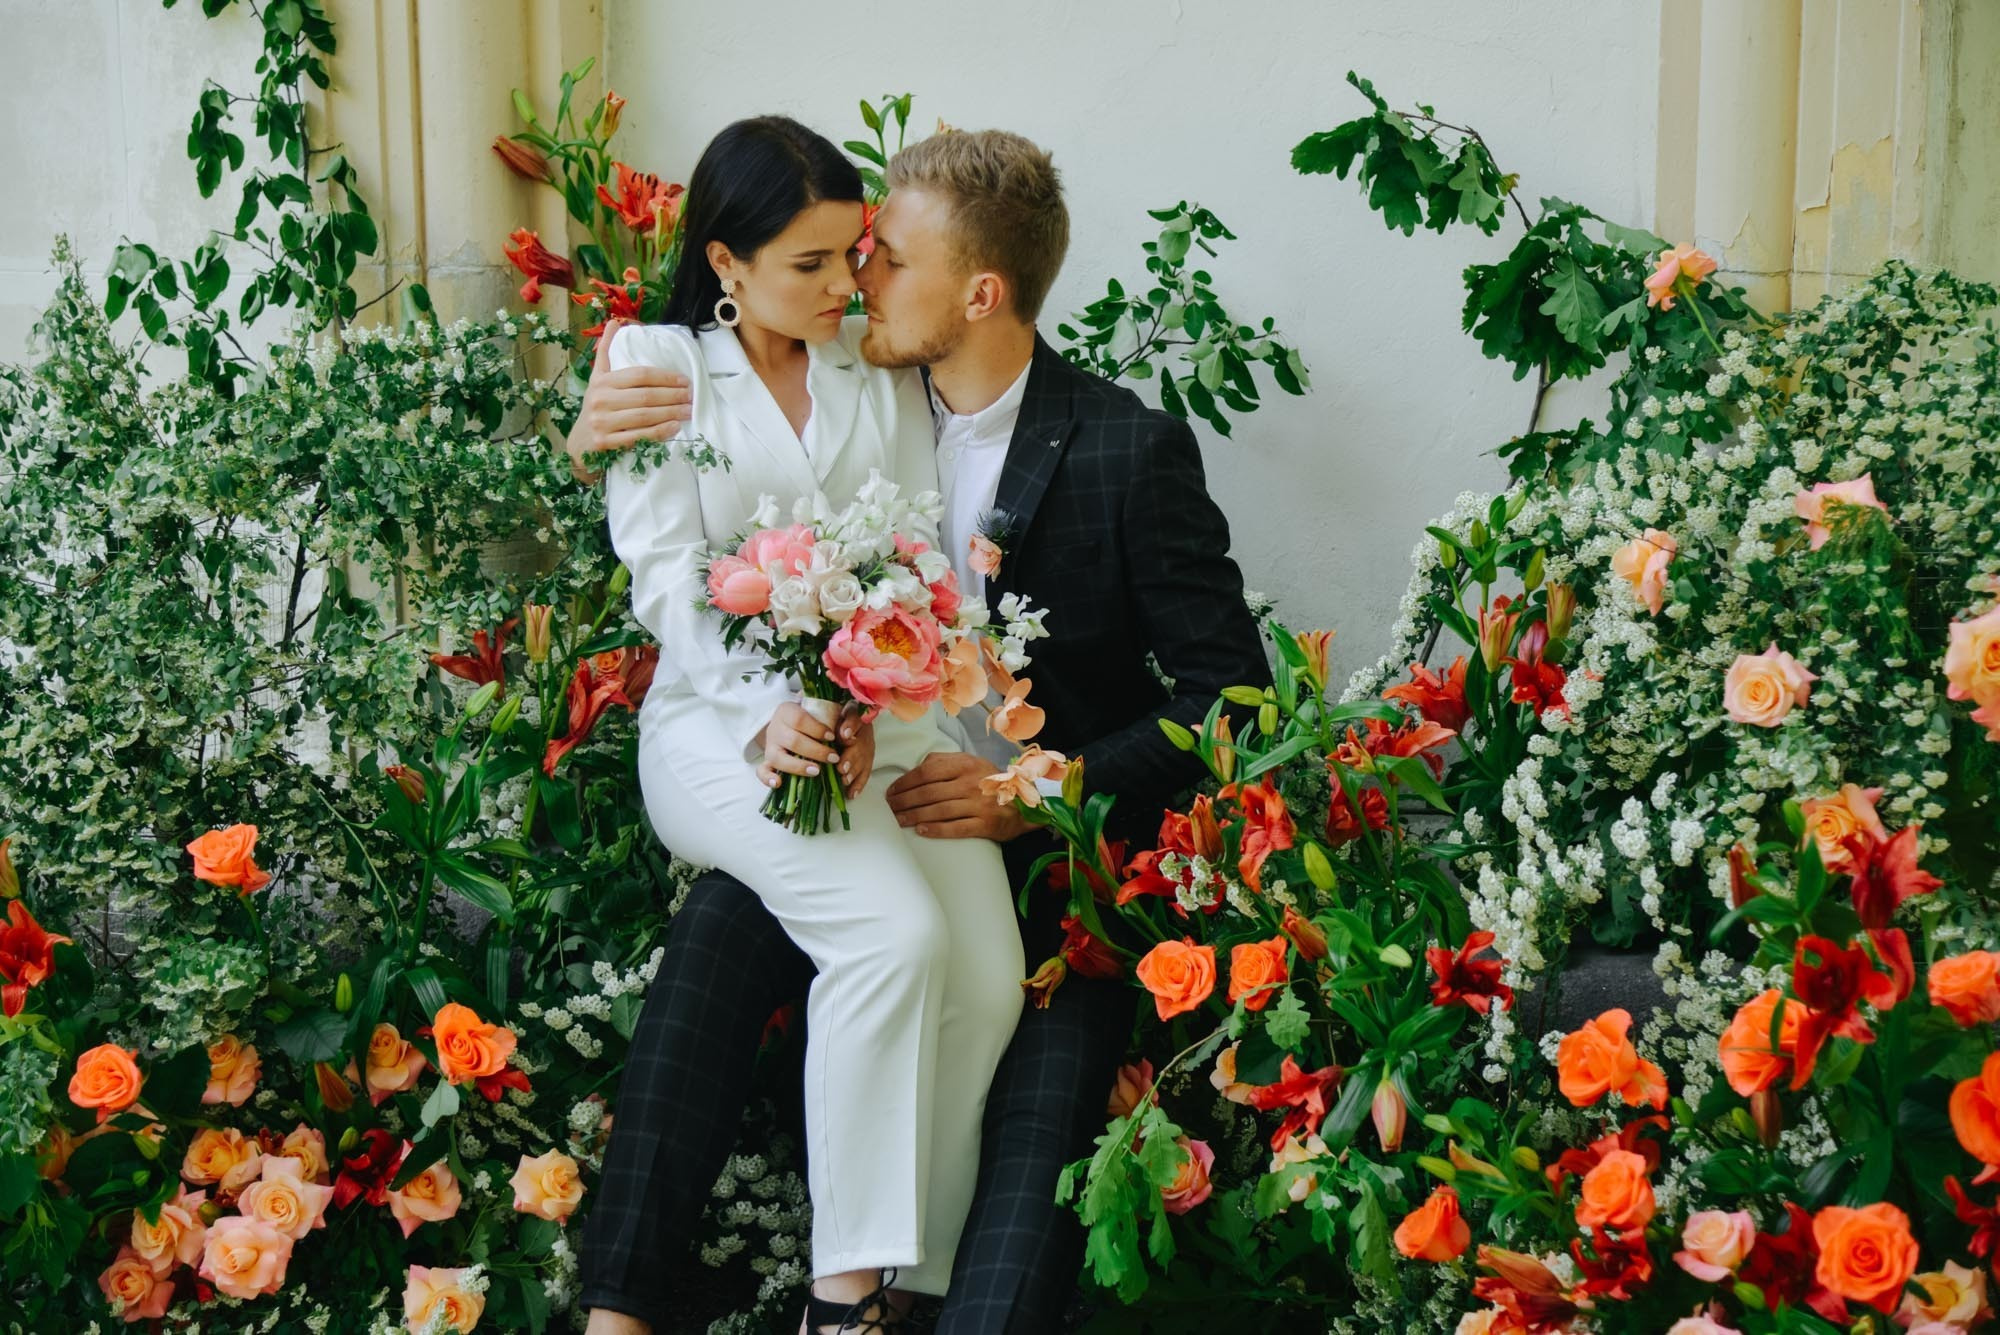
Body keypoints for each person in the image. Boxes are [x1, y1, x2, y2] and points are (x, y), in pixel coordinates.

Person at [578, 128, 1271, 1333]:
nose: (856, 282)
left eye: (883, 258)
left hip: (1045, 872)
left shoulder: (1119, 447)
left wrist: (1039, 792)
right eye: (850, 259)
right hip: (849, 781)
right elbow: (700, 435)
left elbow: (1234, 698)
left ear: (978, 292)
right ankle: (632, 1310)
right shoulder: (853, 362)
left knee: (1001, 1193)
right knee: (718, 937)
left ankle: (902, 1300)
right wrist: (595, 415)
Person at [596, 114, 1027, 1334]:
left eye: (852, 257)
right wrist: (775, 715)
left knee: (987, 978)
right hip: (718, 733)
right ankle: (842, 1306)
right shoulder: (658, 364)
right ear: (725, 264)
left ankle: (913, 1279)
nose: (844, 287)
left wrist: (859, 701)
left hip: (876, 719)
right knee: (892, 937)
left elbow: (905, 552)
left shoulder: (869, 369)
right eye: (809, 266)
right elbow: (667, 582)